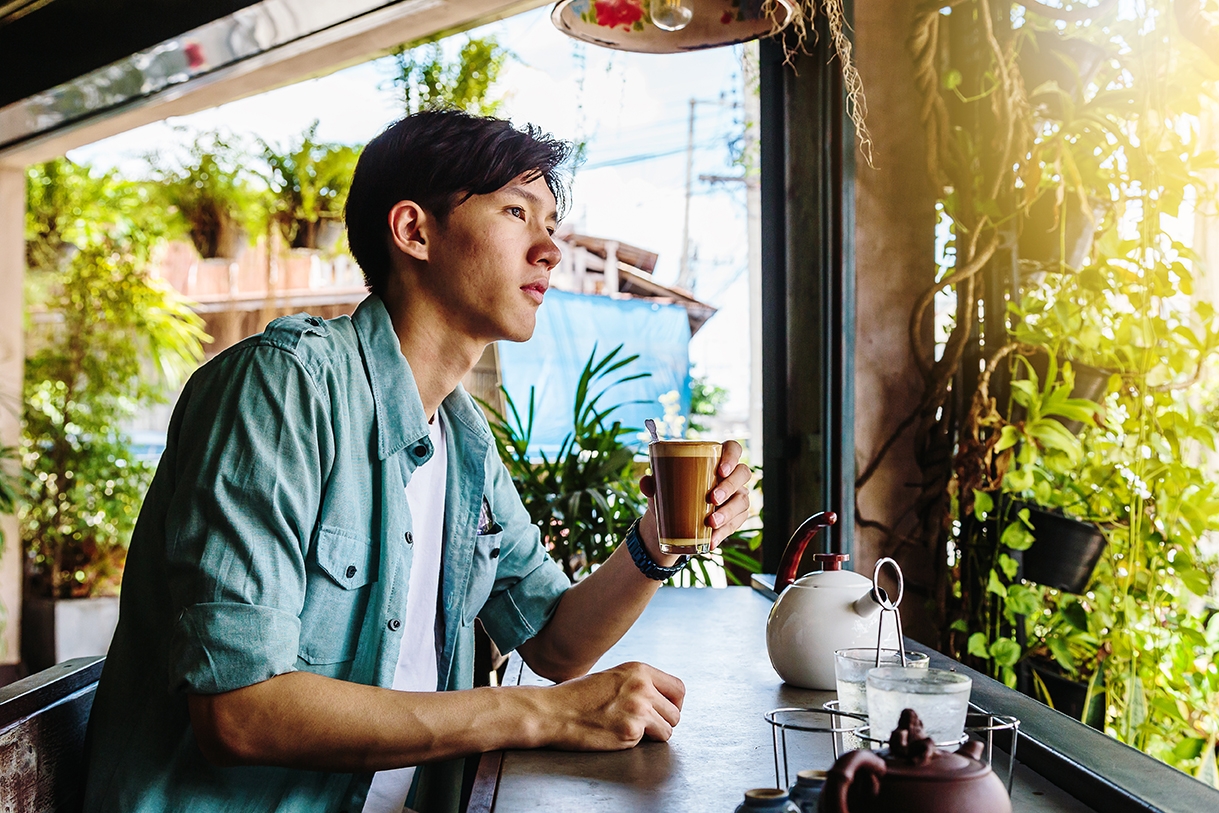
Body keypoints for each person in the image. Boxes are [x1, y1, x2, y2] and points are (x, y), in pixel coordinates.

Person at [82, 110, 752, 813]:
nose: (549, 249)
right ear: (413, 231)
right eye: (517, 212)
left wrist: (657, 540)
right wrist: (539, 712)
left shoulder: (463, 438)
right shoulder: (285, 390)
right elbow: (238, 708)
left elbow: (554, 640)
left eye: (550, 222)